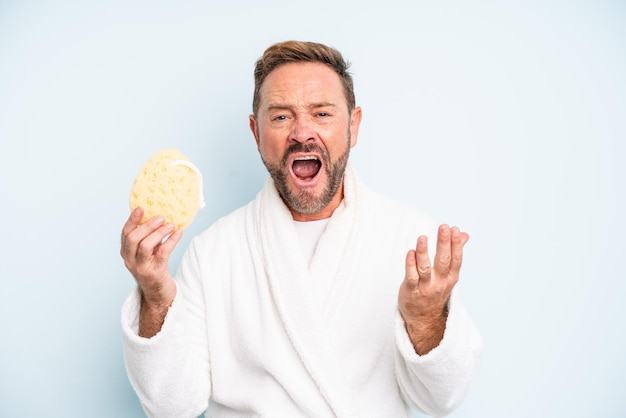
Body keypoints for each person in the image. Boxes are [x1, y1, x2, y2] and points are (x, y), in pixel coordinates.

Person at [120, 40, 482, 418]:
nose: (302, 132)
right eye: (280, 117)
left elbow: (443, 399)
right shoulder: (212, 254)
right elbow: (170, 407)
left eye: (322, 114)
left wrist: (425, 320)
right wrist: (156, 298)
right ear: (255, 132)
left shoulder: (410, 241)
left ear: (353, 126)